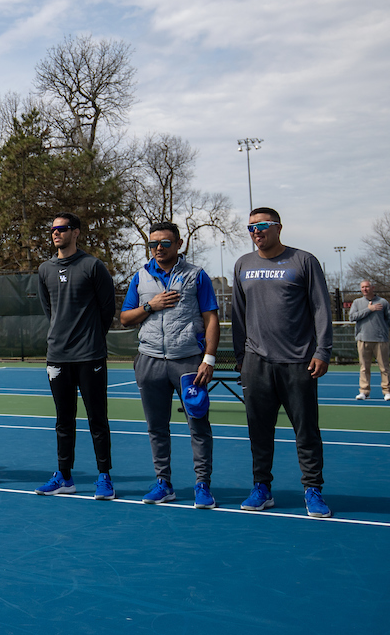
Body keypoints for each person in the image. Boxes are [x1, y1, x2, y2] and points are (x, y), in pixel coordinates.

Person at [233, 207, 334, 517]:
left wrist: (322, 351)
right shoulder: (242, 265)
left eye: (262, 225)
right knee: (259, 431)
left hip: (298, 362)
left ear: (278, 227)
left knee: (306, 431)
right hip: (257, 363)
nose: (256, 231)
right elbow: (238, 316)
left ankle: (312, 489)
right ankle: (261, 488)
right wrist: (242, 360)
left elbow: (321, 308)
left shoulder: (304, 260)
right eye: (250, 227)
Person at [120, 223, 220, 509]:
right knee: (156, 427)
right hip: (149, 361)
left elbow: (211, 318)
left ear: (178, 244)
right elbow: (126, 318)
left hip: (188, 362)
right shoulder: (140, 276)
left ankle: (202, 485)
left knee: (198, 424)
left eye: (165, 243)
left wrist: (208, 359)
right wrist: (152, 305)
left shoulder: (196, 275)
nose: (158, 249)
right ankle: (163, 483)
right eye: (153, 244)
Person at [34, 213, 117, 499]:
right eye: (53, 229)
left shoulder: (92, 266)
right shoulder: (45, 269)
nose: (56, 233)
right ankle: (64, 477)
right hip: (57, 357)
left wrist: (90, 337)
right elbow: (49, 311)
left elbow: (107, 309)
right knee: (63, 420)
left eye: (62, 228)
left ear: (76, 232)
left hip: (90, 355)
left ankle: (104, 476)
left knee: (97, 419)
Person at [351, 279, 390, 401]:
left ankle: (387, 391)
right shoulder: (357, 303)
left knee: (384, 367)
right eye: (362, 287)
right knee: (364, 367)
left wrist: (382, 331)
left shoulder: (383, 302)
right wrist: (370, 309)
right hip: (363, 339)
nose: (365, 289)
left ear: (372, 288)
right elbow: (352, 317)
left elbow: (388, 319)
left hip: (380, 340)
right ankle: (364, 391)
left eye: (367, 287)